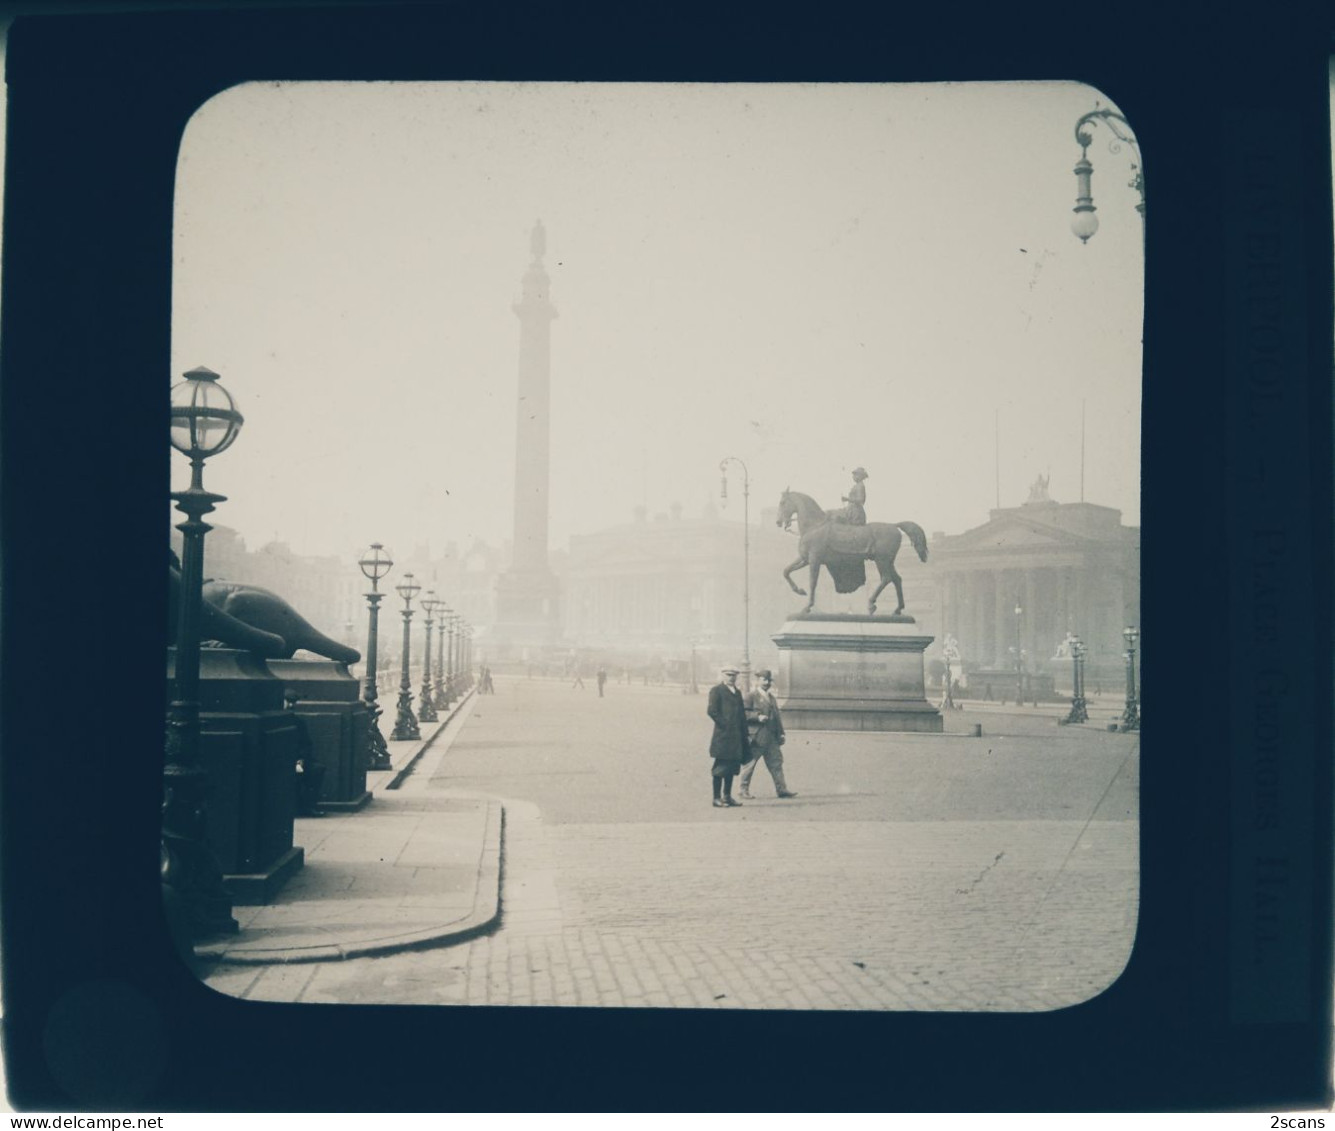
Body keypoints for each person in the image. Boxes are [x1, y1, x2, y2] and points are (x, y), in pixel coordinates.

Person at [740, 669, 796, 799]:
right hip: (756, 737)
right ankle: (743, 790)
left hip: (772, 738)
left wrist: (781, 733)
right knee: (750, 765)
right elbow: (743, 714)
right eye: (764, 679)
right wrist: (757, 717)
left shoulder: (771, 698)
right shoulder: (751, 696)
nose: (767, 682)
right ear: (758, 680)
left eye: (769, 680)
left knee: (776, 763)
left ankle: (781, 789)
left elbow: (777, 718)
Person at [706, 666, 750, 807]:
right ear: (723, 675)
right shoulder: (717, 690)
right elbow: (712, 711)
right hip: (723, 736)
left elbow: (742, 714)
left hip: (737, 737)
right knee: (720, 767)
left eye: (734, 675)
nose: (731, 677)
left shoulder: (737, 692)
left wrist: (745, 733)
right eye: (728, 674)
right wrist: (725, 725)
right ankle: (716, 798)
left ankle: (727, 796)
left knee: (731, 767)